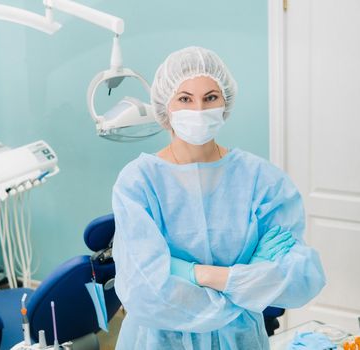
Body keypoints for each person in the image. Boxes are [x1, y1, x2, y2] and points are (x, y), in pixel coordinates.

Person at [111, 46, 326, 349]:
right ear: (165, 107)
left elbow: (302, 276)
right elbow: (146, 289)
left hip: (240, 341)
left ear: (225, 102)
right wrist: (245, 280)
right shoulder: (138, 182)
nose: (198, 110)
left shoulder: (262, 181)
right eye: (185, 98)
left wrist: (192, 273)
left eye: (210, 97)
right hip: (159, 340)